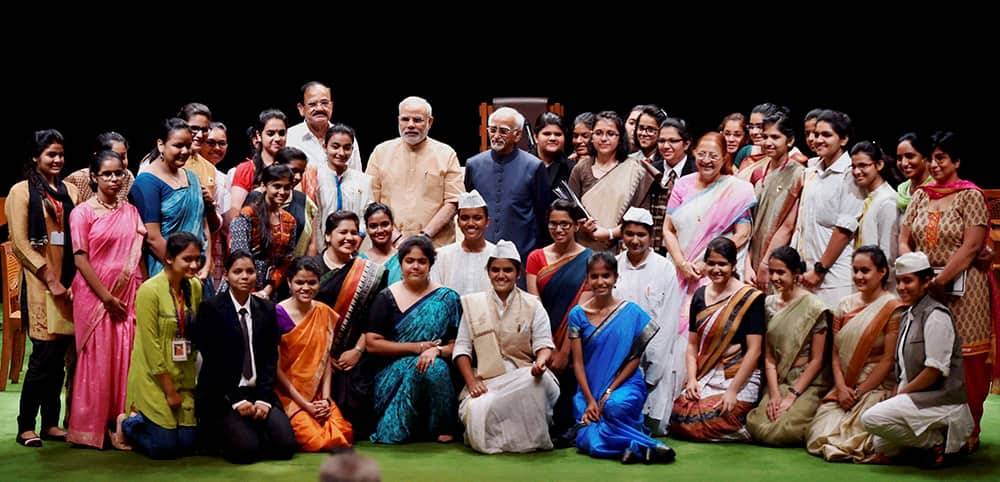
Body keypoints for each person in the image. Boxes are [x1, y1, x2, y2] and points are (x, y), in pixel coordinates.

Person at [898, 131, 994, 450]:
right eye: (933, 158)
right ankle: (934, 430)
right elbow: (904, 238)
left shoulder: (971, 195)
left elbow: (970, 248)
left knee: (967, 358)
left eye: (942, 158)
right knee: (928, 355)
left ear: (957, 161)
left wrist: (939, 281)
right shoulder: (922, 195)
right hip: (926, 285)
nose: (936, 164)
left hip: (965, 289)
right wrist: (914, 271)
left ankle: (970, 428)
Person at [861, 252, 974, 468]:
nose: (902, 287)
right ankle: (924, 449)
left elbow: (934, 372)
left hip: (942, 401)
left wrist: (901, 395)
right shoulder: (908, 315)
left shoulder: (936, 315)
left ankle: (938, 442)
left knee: (871, 419)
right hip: (917, 397)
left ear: (926, 282)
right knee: (881, 443)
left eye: (908, 281)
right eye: (900, 281)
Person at [66, 150, 145, 450]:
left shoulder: (131, 212)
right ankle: (91, 428)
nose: (114, 179)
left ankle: (120, 424)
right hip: (94, 297)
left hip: (128, 296)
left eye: (119, 174)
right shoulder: (82, 213)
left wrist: (137, 293)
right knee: (97, 360)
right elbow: (80, 259)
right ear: (94, 177)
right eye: (107, 174)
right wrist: (107, 297)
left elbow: (136, 259)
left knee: (125, 359)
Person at [453, 240, 559, 453]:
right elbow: (462, 349)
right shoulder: (474, 304)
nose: (501, 275)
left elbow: (544, 345)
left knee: (534, 383)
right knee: (479, 408)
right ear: (489, 272)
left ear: (518, 274)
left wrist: (539, 363)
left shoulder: (533, 304)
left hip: (523, 376)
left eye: (507, 270)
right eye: (496, 270)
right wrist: (472, 382)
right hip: (487, 379)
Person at [8, 129, 79, 448]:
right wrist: (51, 279)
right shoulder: (20, 192)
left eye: (61, 154)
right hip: (40, 285)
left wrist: (73, 282)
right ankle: (26, 425)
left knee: (61, 358)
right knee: (42, 358)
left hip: (68, 284)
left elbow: (78, 240)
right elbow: (20, 245)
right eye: (51, 154)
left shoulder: (70, 192)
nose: (57, 159)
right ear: (35, 157)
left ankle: (51, 422)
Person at [192, 250, 297, 464]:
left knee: (286, 447)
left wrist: (263, 399)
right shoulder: (211, 308)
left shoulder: (266, 308)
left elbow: (270, 359)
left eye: (249, 271)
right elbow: (212, 363)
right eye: (237, 271)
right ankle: (225, 433)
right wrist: (237, 400)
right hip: (224, 394)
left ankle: (250, 428)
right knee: (246, 452)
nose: (244, 276)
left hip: (258, 390)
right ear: (227, 275)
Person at [569, 251, 674, 464]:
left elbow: (634, 359)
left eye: (606, 276)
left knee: (613, 407)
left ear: (616, 278)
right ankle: (640, 446)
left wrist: (609, 391)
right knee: (588, 439)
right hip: (589, 386)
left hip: (625, 382)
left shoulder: (631, 312)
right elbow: (578, 363)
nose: (600, 282)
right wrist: (590, 400)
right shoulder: (577, 315)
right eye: (594, 276)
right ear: (587, 279)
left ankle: (635, 445)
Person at [806, 246, 901, 462]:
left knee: (861, 434)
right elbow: (836, 354)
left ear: (882, 272)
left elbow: (888, 360)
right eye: (855, 270)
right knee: (819, 433)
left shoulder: (892, 307)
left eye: (865, 271)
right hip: (845, 383)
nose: (859, 276)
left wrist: (857, 392)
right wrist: (841, 389)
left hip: (875, 384)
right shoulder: (844, 304)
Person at [365, 236, 461, 444]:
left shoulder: (447, 298)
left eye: (422, 261)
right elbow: (372, 343)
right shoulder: (386, 297)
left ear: (430, 264)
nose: (415, 266)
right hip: (392, 372)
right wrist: (417, 348)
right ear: (401, 264)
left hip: (436, 367)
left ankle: (441, 426)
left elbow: (458, 345)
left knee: (435, 367)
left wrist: (436, 350)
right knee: (421, 366)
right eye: (409, 261)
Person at [671, 238, 764, 442]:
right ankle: (732, 429)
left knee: (700, 419)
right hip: (708, 371)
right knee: (678, 415)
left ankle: (740, 425)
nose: (716, 269)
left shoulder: (750, 298)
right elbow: (693, 344)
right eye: (711, 263)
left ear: (733, 265)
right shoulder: (700, 295)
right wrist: (693, 379)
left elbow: (754, 350)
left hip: (738, 376)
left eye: (722, 264)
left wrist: (732, 391)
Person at [120, 233, 203, 459]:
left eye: (198, 259)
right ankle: (129, 423)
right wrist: (169, 391)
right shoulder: (149, 290)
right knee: (164, 448)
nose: (194, 265)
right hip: (154, 378)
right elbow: (151, 346)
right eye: (187, 259)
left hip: (183, 375)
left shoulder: (195, 287)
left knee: (188, 445)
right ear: (168, 258)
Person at [662, 132, 756, 333]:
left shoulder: (737, 190)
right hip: (679, 269)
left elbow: (742, 233)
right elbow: (668, 229)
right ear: (694, 153)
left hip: (713, 273)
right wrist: (681, 263)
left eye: (713, 156)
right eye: (702, 154)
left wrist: (708, 263)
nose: (706, 161)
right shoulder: (682, 184)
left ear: (724, 157)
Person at [312, 210, 388, 437]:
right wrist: (324, 355)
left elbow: (374, 322)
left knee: (355, 411)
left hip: (354, 354)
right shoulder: (310, 269)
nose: (349, 238)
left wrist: (356, 350)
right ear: (327, 236)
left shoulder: (372, 273)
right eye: (342, 232)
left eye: (354, 233)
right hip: (315, 353)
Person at [746, 247, 831, 446]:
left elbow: (818, 360)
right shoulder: (768, 304)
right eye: (772, 271)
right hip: (778, 379)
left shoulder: (815, 308)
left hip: (806, 382)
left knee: (782, 430)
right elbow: (768, 356)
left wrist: (791, 396)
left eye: (781, 272)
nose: (774, 277)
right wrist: (775, 394)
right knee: (758, 427)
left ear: (796, 274)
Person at [525, 200, 593, 440]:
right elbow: (534, 305)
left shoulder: (589, 259)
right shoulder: (536, 257)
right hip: (541, 336)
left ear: (576, 226)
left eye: (565, 223)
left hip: (575, 341)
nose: (559, 229)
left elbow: (580, 310)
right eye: (554, 223)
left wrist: (564, 352)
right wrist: (545, 347)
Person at [612, 207, 682, 436]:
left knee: (653, 425)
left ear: (652, 237)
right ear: (622, 234)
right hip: (617, 357)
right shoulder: (613, 266)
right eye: (629, 234)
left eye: (641, 235)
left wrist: (653, 371)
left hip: (653, 358)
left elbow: (668, 321)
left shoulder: (665, 268)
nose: (634, 240)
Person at [276, 257, 354, 451]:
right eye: (299, 282)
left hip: (318, 392)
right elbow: (276, 369)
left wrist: (326, 399)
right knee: (316, 440)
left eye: (312, 282)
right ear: (289, 283)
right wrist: (304, 404)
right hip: (289, 394)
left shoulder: (323, 312)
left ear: (319, 283)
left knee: (344, 433)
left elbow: (324, 358)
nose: (306, 287)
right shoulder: (277, 314)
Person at [366, 96, 463, 247]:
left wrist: (424, 237)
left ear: (429, 122)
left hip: (435, 247)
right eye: (405, 119)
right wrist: (396, 238)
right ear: (399, 120)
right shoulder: (381, 152)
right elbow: (371, 200)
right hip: (389, 246)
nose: (410, 125)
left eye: (417, 120)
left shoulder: (446, 154)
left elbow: (453, 202)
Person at [793, 109, 866, 309]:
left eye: (826, 135)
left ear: (843, 139)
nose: (818, 140)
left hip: (835, 278)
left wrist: (820, 269)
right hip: (809, 275)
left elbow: (844, 230)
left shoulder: (851, 174)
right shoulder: (814, 170)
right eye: (816, 134)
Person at [129, 118, 210, 279]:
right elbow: (152, 238)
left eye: (188, 145)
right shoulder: (147, 182)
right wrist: (184, 270)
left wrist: (206, 266)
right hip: (166, 272)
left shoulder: (192, 178)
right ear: (161, 145)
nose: (185, 151)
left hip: (199, 272)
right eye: (178, 145)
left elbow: (204, 228)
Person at [465, 107, 549, 260]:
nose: (496, 136)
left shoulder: (534, 166)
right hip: (482, 251)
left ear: (517, 135)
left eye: (503, 131)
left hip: (523, 253)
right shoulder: (473, 164)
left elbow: (543, 215)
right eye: (492, 130)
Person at [567, 111, 657, 251]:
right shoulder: (580, 169)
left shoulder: (636, 169)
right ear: (592, 137)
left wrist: (609, 233)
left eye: (610, 133)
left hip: (623, 248)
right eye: (598, 133)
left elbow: (640, 216)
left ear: (620, 138)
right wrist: (582, 225)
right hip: (583, 247)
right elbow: (569, 211)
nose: (604, 138)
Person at [747, 107, 804, 288]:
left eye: (775, 137)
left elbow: (788, 226)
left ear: (790, 140)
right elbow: (748, 221)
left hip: (777, 261)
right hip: (750, 258)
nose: (768, 142)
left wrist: (767, 264)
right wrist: (746, 263)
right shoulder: (757, 172)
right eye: (765, 137)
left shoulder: (799, 174)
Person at [226, 164, 298, 299]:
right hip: (240, 286)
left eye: (287, 187)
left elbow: (286, 261)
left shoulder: (290, 221)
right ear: (264, 186)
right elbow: (239, 257)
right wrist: (252, 293)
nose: (282, 192)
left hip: (270, 290)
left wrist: (267, 290)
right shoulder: (247, 216)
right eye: (277, 186)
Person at [307, 124, 373, 252]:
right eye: (335, 147)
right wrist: (323, 250)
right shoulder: (314, 178)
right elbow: (314, 217)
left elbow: (367, 216)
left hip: (354, 248)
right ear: (325, 147)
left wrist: (357, 238)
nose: (341, 153)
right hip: (321, 250)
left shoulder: (363, 181)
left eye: (347, 148)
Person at [429, 190, 495, 295]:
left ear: (487, 222)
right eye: (465, 218)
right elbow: (436, 297)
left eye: (477, 218)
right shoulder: (442, 256)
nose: (471, 223)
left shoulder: (497, 255)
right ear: (458, 222)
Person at [229, 109, 288, 223]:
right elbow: (235, 212)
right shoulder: (246, 169)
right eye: (270, 133)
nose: (277, 138)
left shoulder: (291, 168)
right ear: (258, 135)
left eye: (281, 133)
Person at [850, 141, 899, 279]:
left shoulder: (887, 200)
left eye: (863, 165)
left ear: (879, 165)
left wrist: (880, 283)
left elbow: (888, 253)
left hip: (881, 284)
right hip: (866, 280)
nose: (857, 171)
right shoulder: (868, 199)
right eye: (853, 166)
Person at [287, 81, 362, 171]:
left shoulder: (346, 137)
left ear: (331, 106)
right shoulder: (289, 137)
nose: (319, 108)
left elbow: (356, 176)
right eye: (312, 104)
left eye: (324, 103)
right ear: (301, 109)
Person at [647, 117, 695, 253]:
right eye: (661, 141)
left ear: (686, 144)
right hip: (652, 246)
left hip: (684, 246)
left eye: (673, 141)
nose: (666, 146)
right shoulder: (650, 171)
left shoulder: (696, 172)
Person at [64, 131, 134, 203]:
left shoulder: (127, 177)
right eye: (114, 157)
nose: (119, 162)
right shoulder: (77, 179)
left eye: (123, 157)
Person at [533, 112, 574, 197]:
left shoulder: (571, 168)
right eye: (547, 134)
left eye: (558, 134)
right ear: (536, 137)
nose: (552, 138)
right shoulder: (523, 164)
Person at [360, 203, 402, 284]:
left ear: (392, 225)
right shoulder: (360, 262)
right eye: (373, 226)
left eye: (385, 224)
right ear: (367, 229)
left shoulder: (402, 258)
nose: (380, 230)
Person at [894, 132, 933, 213]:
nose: (904, 163)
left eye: (910, 156)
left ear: (925, 158)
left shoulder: (937, 190)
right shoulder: (902, 191)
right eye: (899, 158)